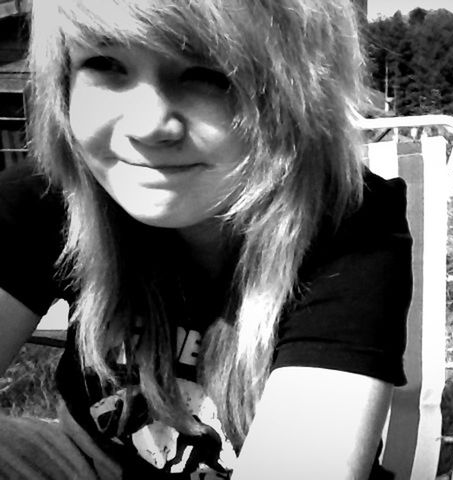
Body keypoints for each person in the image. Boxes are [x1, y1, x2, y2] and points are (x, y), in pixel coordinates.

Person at [0, 0, 412, 478]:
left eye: (207, 72)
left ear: (299, 94)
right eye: (105, 64)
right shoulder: (54, 196)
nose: (147, 125)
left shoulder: (349, 228)